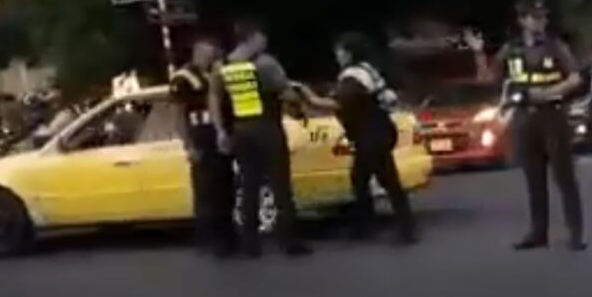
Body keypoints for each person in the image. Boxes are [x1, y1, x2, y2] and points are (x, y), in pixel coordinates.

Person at [466, 0, 587, 251]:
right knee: (534, 177)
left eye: (543, 17)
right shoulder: (511, 49)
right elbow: (487, 78)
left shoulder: (555, 46)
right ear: (522, 20)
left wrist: (549, 92)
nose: (541, 22)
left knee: (564, 176)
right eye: (535, 17)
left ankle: (575, 233)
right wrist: (478, 52)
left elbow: (575, 78)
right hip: (523, 117)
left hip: (552, 114)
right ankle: (538, 232)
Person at [296, 33, 418, 245]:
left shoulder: (353, 77)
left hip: (371, 134)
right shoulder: (366, 70)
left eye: (340, 51)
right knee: (362, 179)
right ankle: (368, 226)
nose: (337, 55)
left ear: (350, 53)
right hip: (377, 131)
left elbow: (336, 103)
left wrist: (305, 94)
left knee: (385, 181)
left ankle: (402, 230)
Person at [209, 20, 310, 258]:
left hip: (241, 130)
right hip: (268, 127)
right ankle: (290, 241)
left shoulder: (221, 67)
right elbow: (287, 93)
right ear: (253, 37)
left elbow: (214, 99)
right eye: (262, 37)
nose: (265, 41)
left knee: (249, 186)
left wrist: (221, 131)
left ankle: (250, 244)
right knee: (280, 185)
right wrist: (299, 102)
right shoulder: (266, 63)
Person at [170, 38, 236, 257]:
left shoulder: (214, 74)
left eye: (213, 54)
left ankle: (228, 236)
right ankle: (209, 240)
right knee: (206, 191)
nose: (212, 57)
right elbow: (178, 116)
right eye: (208, 53)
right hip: (200, 136)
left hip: (218, 136)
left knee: (225, 187)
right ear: (197, 53)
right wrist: (188, 146)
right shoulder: (183, 77)